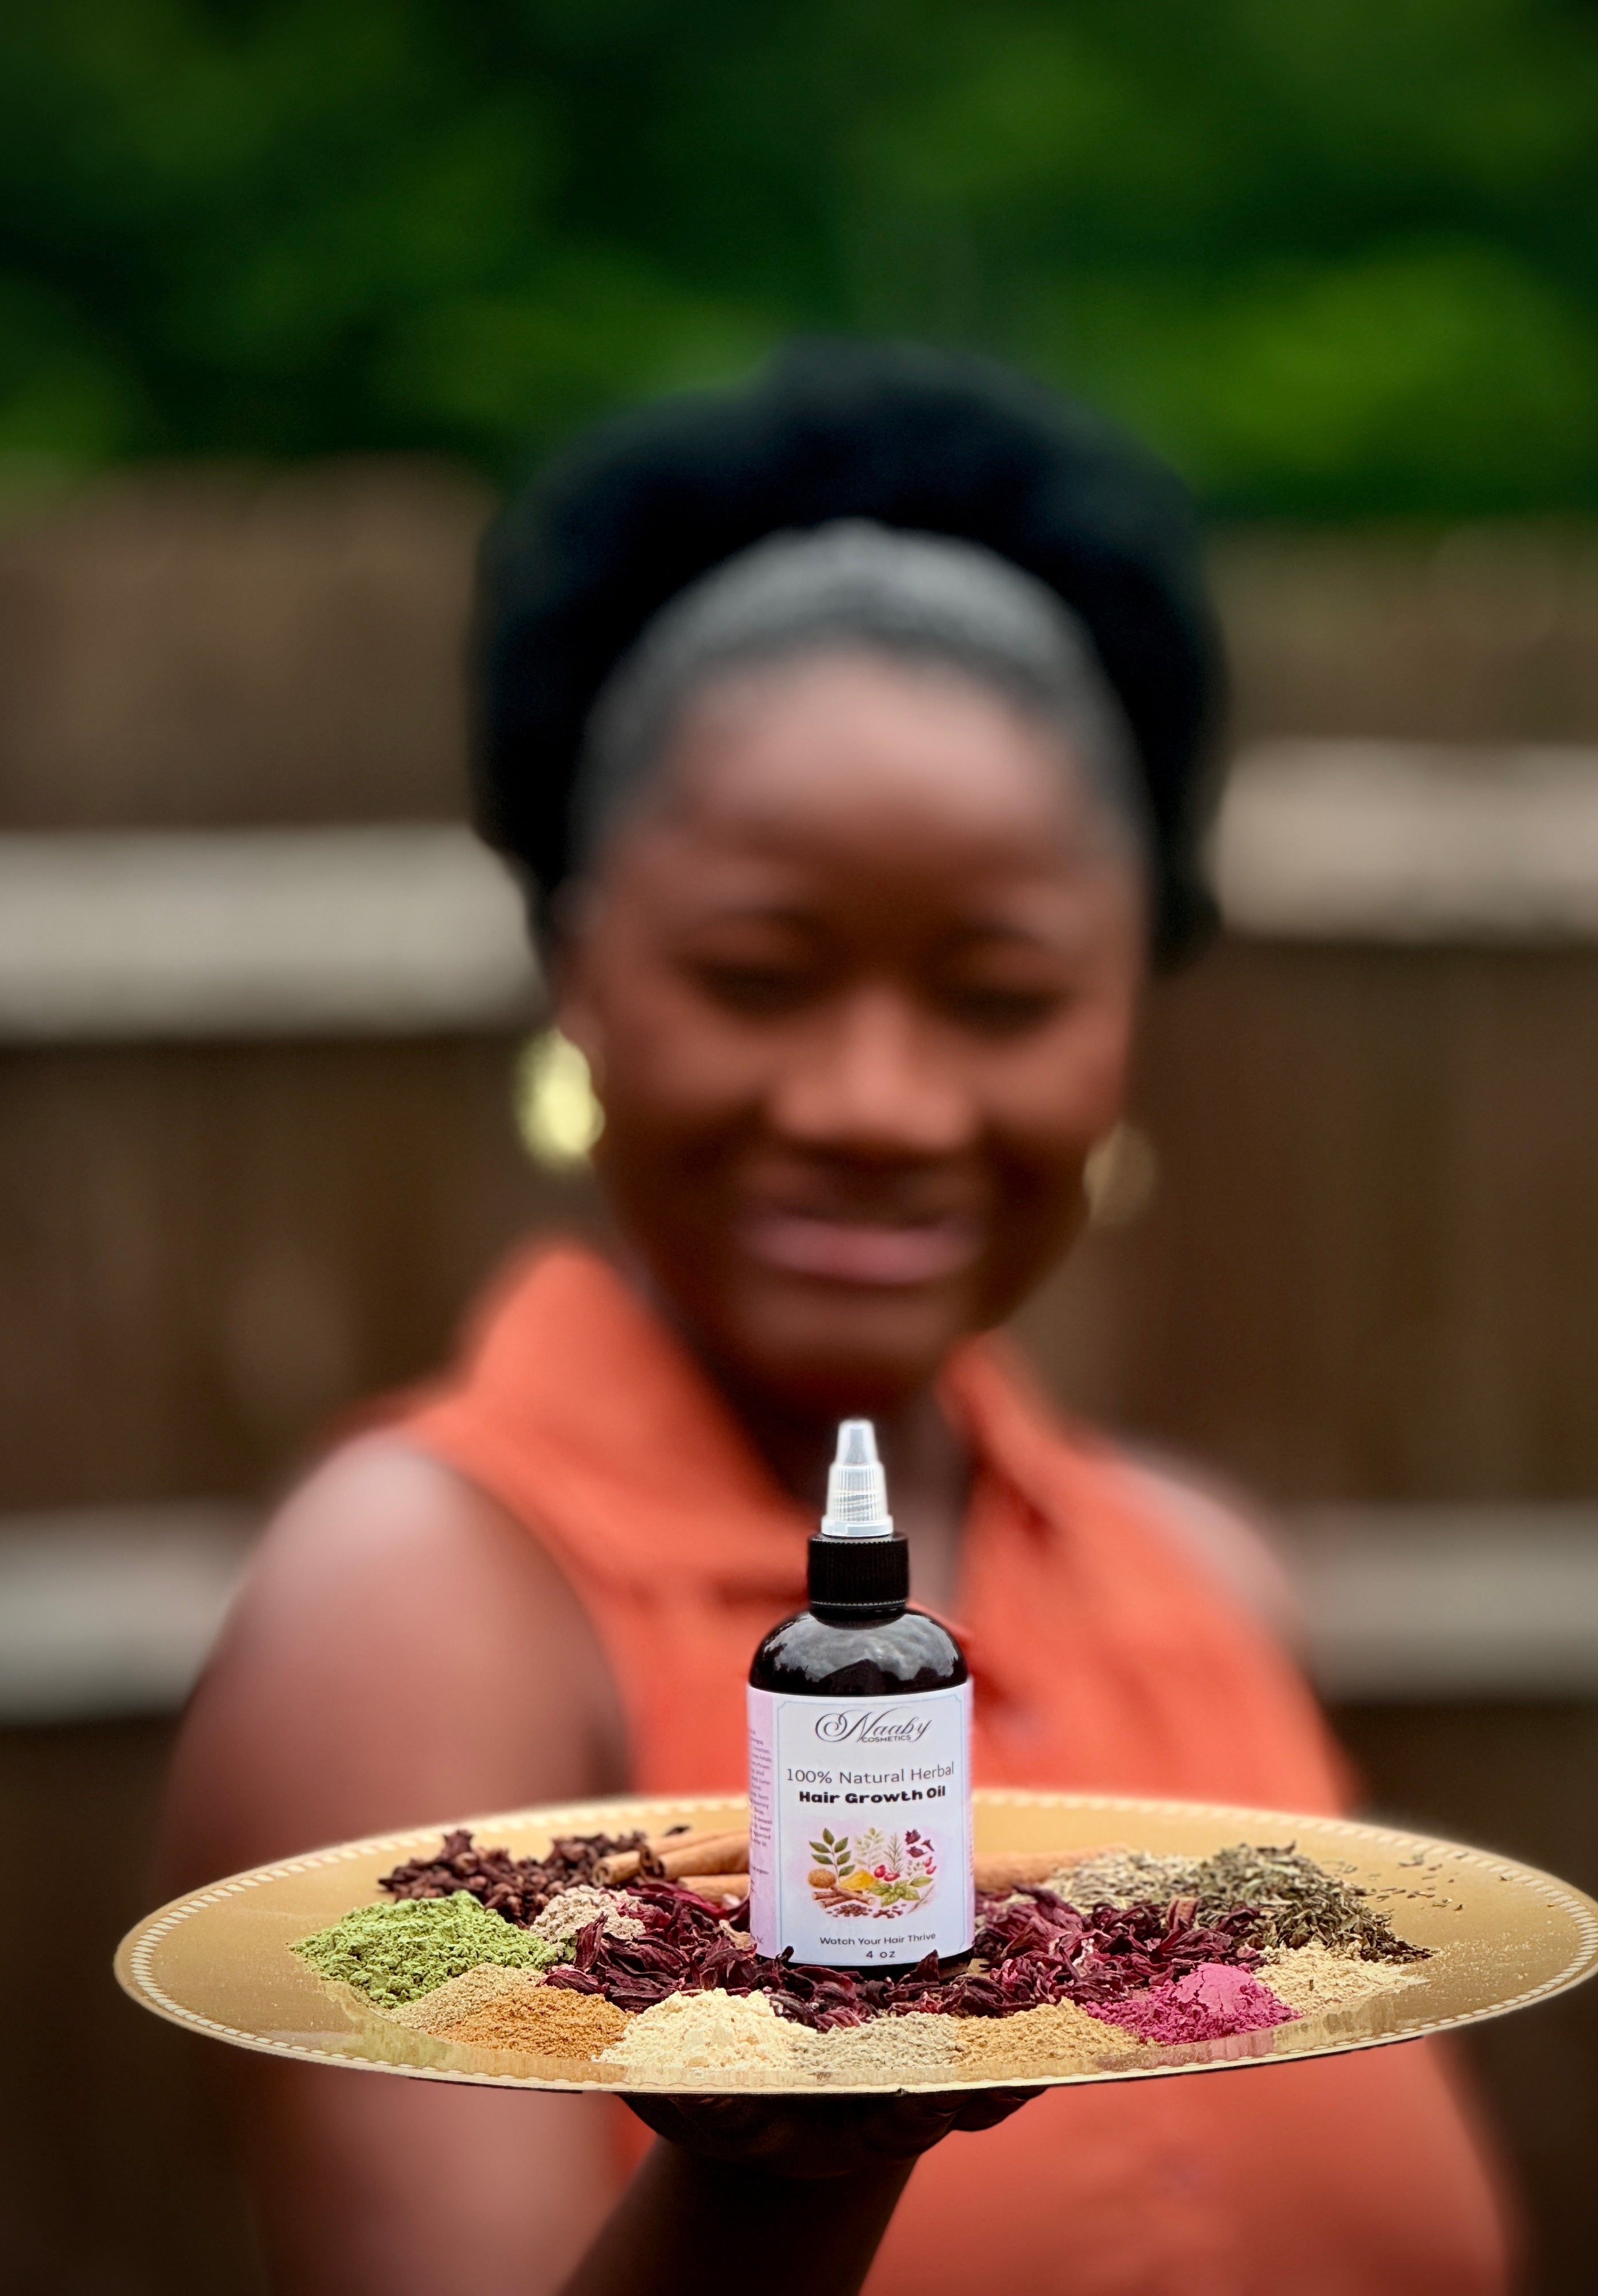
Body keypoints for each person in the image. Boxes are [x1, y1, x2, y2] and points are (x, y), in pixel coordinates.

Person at [159, 341, 1515, 2295]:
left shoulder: (1205, 1578)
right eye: (760, 972)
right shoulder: (423, 1599)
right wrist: (784, 2169)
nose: (876, 1105)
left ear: (1136, 1011)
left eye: (997, 992)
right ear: (575, 975)